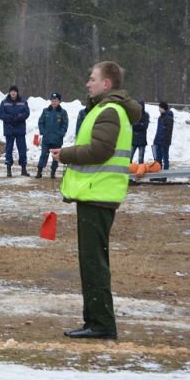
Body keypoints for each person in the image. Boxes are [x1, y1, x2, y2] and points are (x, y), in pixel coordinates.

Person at [50, 61, 141, 340]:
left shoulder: (110, 111)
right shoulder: (104, 109)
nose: (88, 83)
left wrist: (66, 154)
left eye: (92, 79)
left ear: (106, 84)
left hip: (99, 194)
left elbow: (100, 150)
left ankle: (101, 323)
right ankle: (95, 320)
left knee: (93, 262)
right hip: (96, 194)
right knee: (91, 260)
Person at [0, 85, 30, 177]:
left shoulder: (23, 102)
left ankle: (23, 169)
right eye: (11, 91)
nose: (13, 93)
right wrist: (10, 118)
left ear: (17, 92)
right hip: (9, 129)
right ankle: (9, 170)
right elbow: (1, 114)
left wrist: (19, 117)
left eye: (14, 91)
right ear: (9, 92)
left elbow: (27, 113)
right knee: (9, 149)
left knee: (22, 149)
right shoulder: (4, 102)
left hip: (20, 129)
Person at [36, 92, 68, 179]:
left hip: (57, 140)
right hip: (46, 139)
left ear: (59, 102)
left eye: (56, 101)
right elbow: (40, 122)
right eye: (52, 101)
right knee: (43, 154)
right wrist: (43, 131)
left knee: (55, 157)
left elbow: (65, 125)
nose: (54, 102)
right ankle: (39, 171)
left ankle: (53, 172)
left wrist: (60, 134)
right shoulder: (45, 111)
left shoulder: (63, 112)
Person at [153, 101, 174, 170]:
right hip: (158, 141)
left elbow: (168, 132)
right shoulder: (160, 117)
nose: (159, 109)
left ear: (163, 108)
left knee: (165, 159)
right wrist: (155, 140)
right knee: (158, 159)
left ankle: (165, 174)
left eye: (160, 108)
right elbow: (158, 130)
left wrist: (165, 142)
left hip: (164, 142)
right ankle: (158, 173)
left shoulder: (168, 118)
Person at [131, 99, 150, 163]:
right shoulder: (134, 114)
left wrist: (138, 125)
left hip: (142, 139)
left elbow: (145, 126)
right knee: (130, 156)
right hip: (134, 139)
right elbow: (132, 125)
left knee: (141, 158)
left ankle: (140, 170)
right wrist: (139, 125)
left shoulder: (146, 115)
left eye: (140, 105)